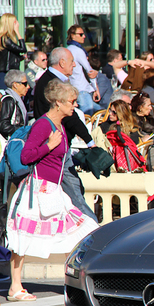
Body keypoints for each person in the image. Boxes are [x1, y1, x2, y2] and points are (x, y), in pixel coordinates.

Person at [6, 79, 99, 302]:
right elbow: (26, 157)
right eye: (71, 101)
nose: (74, 105)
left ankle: (73, 284)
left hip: (54, 190)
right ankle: (15, 287)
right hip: (37, 190)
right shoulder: (43, 125)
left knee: (81, 232)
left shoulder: (59, 126)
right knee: (22, 238)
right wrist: (48, 145)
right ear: (57, 102)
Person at [33, 47, 98, 223]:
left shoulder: (47, 81)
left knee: (74, 190)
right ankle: (94, 229)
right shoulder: (52, 84)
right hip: (56, 147)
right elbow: (70, 118)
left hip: (57, 145)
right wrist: (89, 141)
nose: (74, 64)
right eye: (71, 61)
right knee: (75, 192)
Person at [66, 25, 101, 115]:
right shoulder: (78, 51)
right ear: (73, 35)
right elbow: (90, 71)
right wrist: (95, 89)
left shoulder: (67, 50)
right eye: (81, 34)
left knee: (100, 111)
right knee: (88, 118)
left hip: (74, 89)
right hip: (82, 90)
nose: (84, 36)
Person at [0, 70, 29, 140]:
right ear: (15, 85)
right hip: (10, 143)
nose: (28, 86)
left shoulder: (18, 100)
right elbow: (4, 126)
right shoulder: (9, 100)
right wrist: (23, 130)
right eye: (25, 84)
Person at [0, 13, 27, 90]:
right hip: (6, 73)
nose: (18, 24)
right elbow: (23, 49)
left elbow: (7, 56)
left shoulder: (5, 39)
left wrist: (20, 58)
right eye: (16, 22)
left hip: (8, 72)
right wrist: (18, 33)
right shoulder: (6, 39)